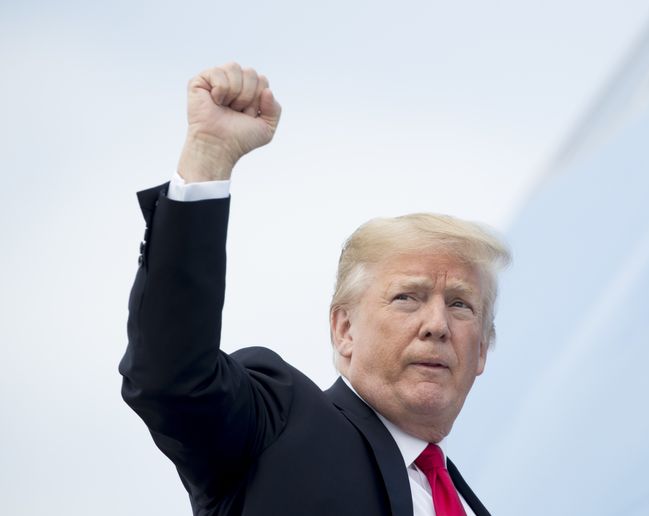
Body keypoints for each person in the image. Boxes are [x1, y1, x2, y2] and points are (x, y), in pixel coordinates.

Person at [120, 62, 510, 516]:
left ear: (482, 350)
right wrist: (208, 157)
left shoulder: (469, 504)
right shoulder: (277, 424)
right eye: (408, 297)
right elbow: (172, 379)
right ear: (344, 328)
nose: (437, 325)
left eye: (460, 305)